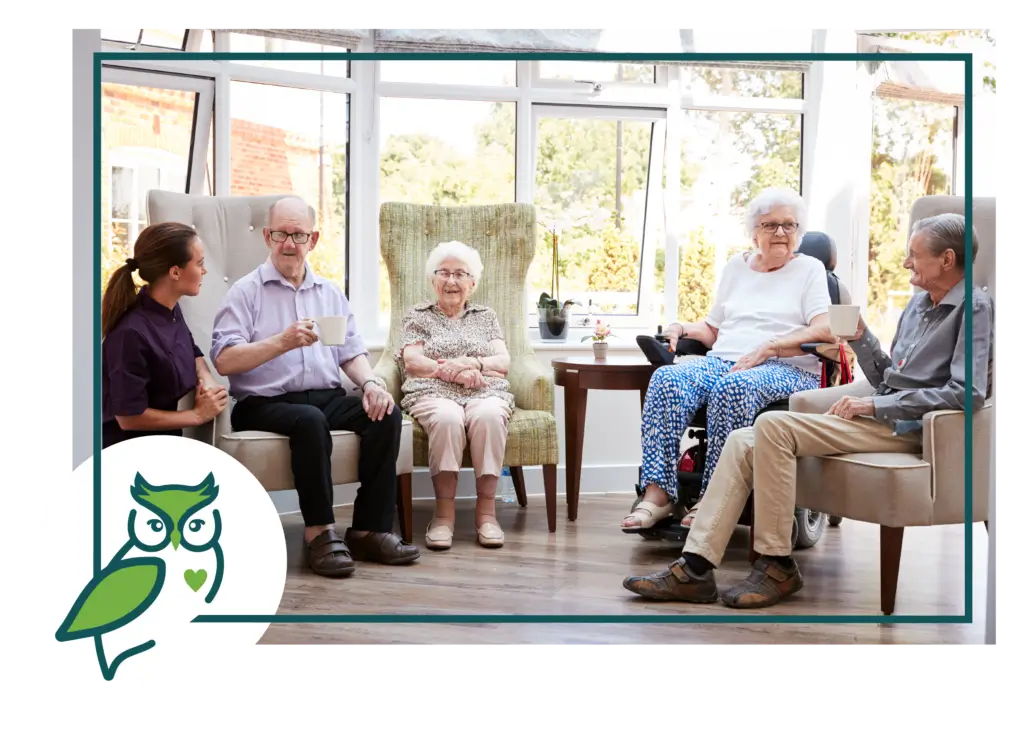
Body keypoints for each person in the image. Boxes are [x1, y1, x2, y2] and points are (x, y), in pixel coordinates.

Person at [622, 212, 994, 608]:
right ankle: (695, 569)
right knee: (743, 441)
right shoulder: (919, 304)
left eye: (914, 255)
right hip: (882, 415)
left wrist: (874, 404)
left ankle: (777, 565)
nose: (906, 263)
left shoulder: (973, 308)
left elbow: (966, 393)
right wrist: (862, 338)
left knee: (772, 426)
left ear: (947, 260)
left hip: (910, 427)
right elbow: (891, 376)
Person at [209, 195, 420, 578]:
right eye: (280, 234)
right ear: (267, 237)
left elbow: (351, 351)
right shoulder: (246, 291)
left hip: (325, 397)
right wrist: (282, 342)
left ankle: (369, 529)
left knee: (385, 412)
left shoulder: (329, 293)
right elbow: (224, 360)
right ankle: (319, 533)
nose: (289, 243)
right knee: (308, 420)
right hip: (263, 403)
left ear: (314, 239)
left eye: (298, 235)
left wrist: (371, 383)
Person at [622, 186, 834, 534]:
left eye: (789, 225)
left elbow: (825, 329)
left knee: (733, 387)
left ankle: (714, 500)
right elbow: (712, 329)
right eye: (770, 225)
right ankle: (658, 495)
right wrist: (680, 327)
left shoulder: (810, 269)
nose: (781, 232)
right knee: (666, 379)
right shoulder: (737, 267)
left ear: (799, 231)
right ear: (754, 232)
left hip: (787, 368)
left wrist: (771, 347)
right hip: (726, 360)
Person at [397, 240, 515, 550]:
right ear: (432, 280)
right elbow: (412, 361)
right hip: (432, 390)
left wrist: (474, 364)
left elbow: (503, 362)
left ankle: (486, 514)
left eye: (460, 274)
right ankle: (443, 516)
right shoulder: (418, 315)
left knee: (489, 416)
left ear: (472, 283)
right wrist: (451, 372)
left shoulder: (486, 316)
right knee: (448, 418)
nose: (451, 281)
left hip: (483, 389)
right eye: (444, 273)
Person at [101, 221, 228, 450]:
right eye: (199, 264)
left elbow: (192, 350)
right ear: (175, 272)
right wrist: (197, 415)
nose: (204, 271)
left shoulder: (170, 309)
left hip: (165, 445)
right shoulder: (130, 334)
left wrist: (206, 378)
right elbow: (128, 417)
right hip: (126, 453)